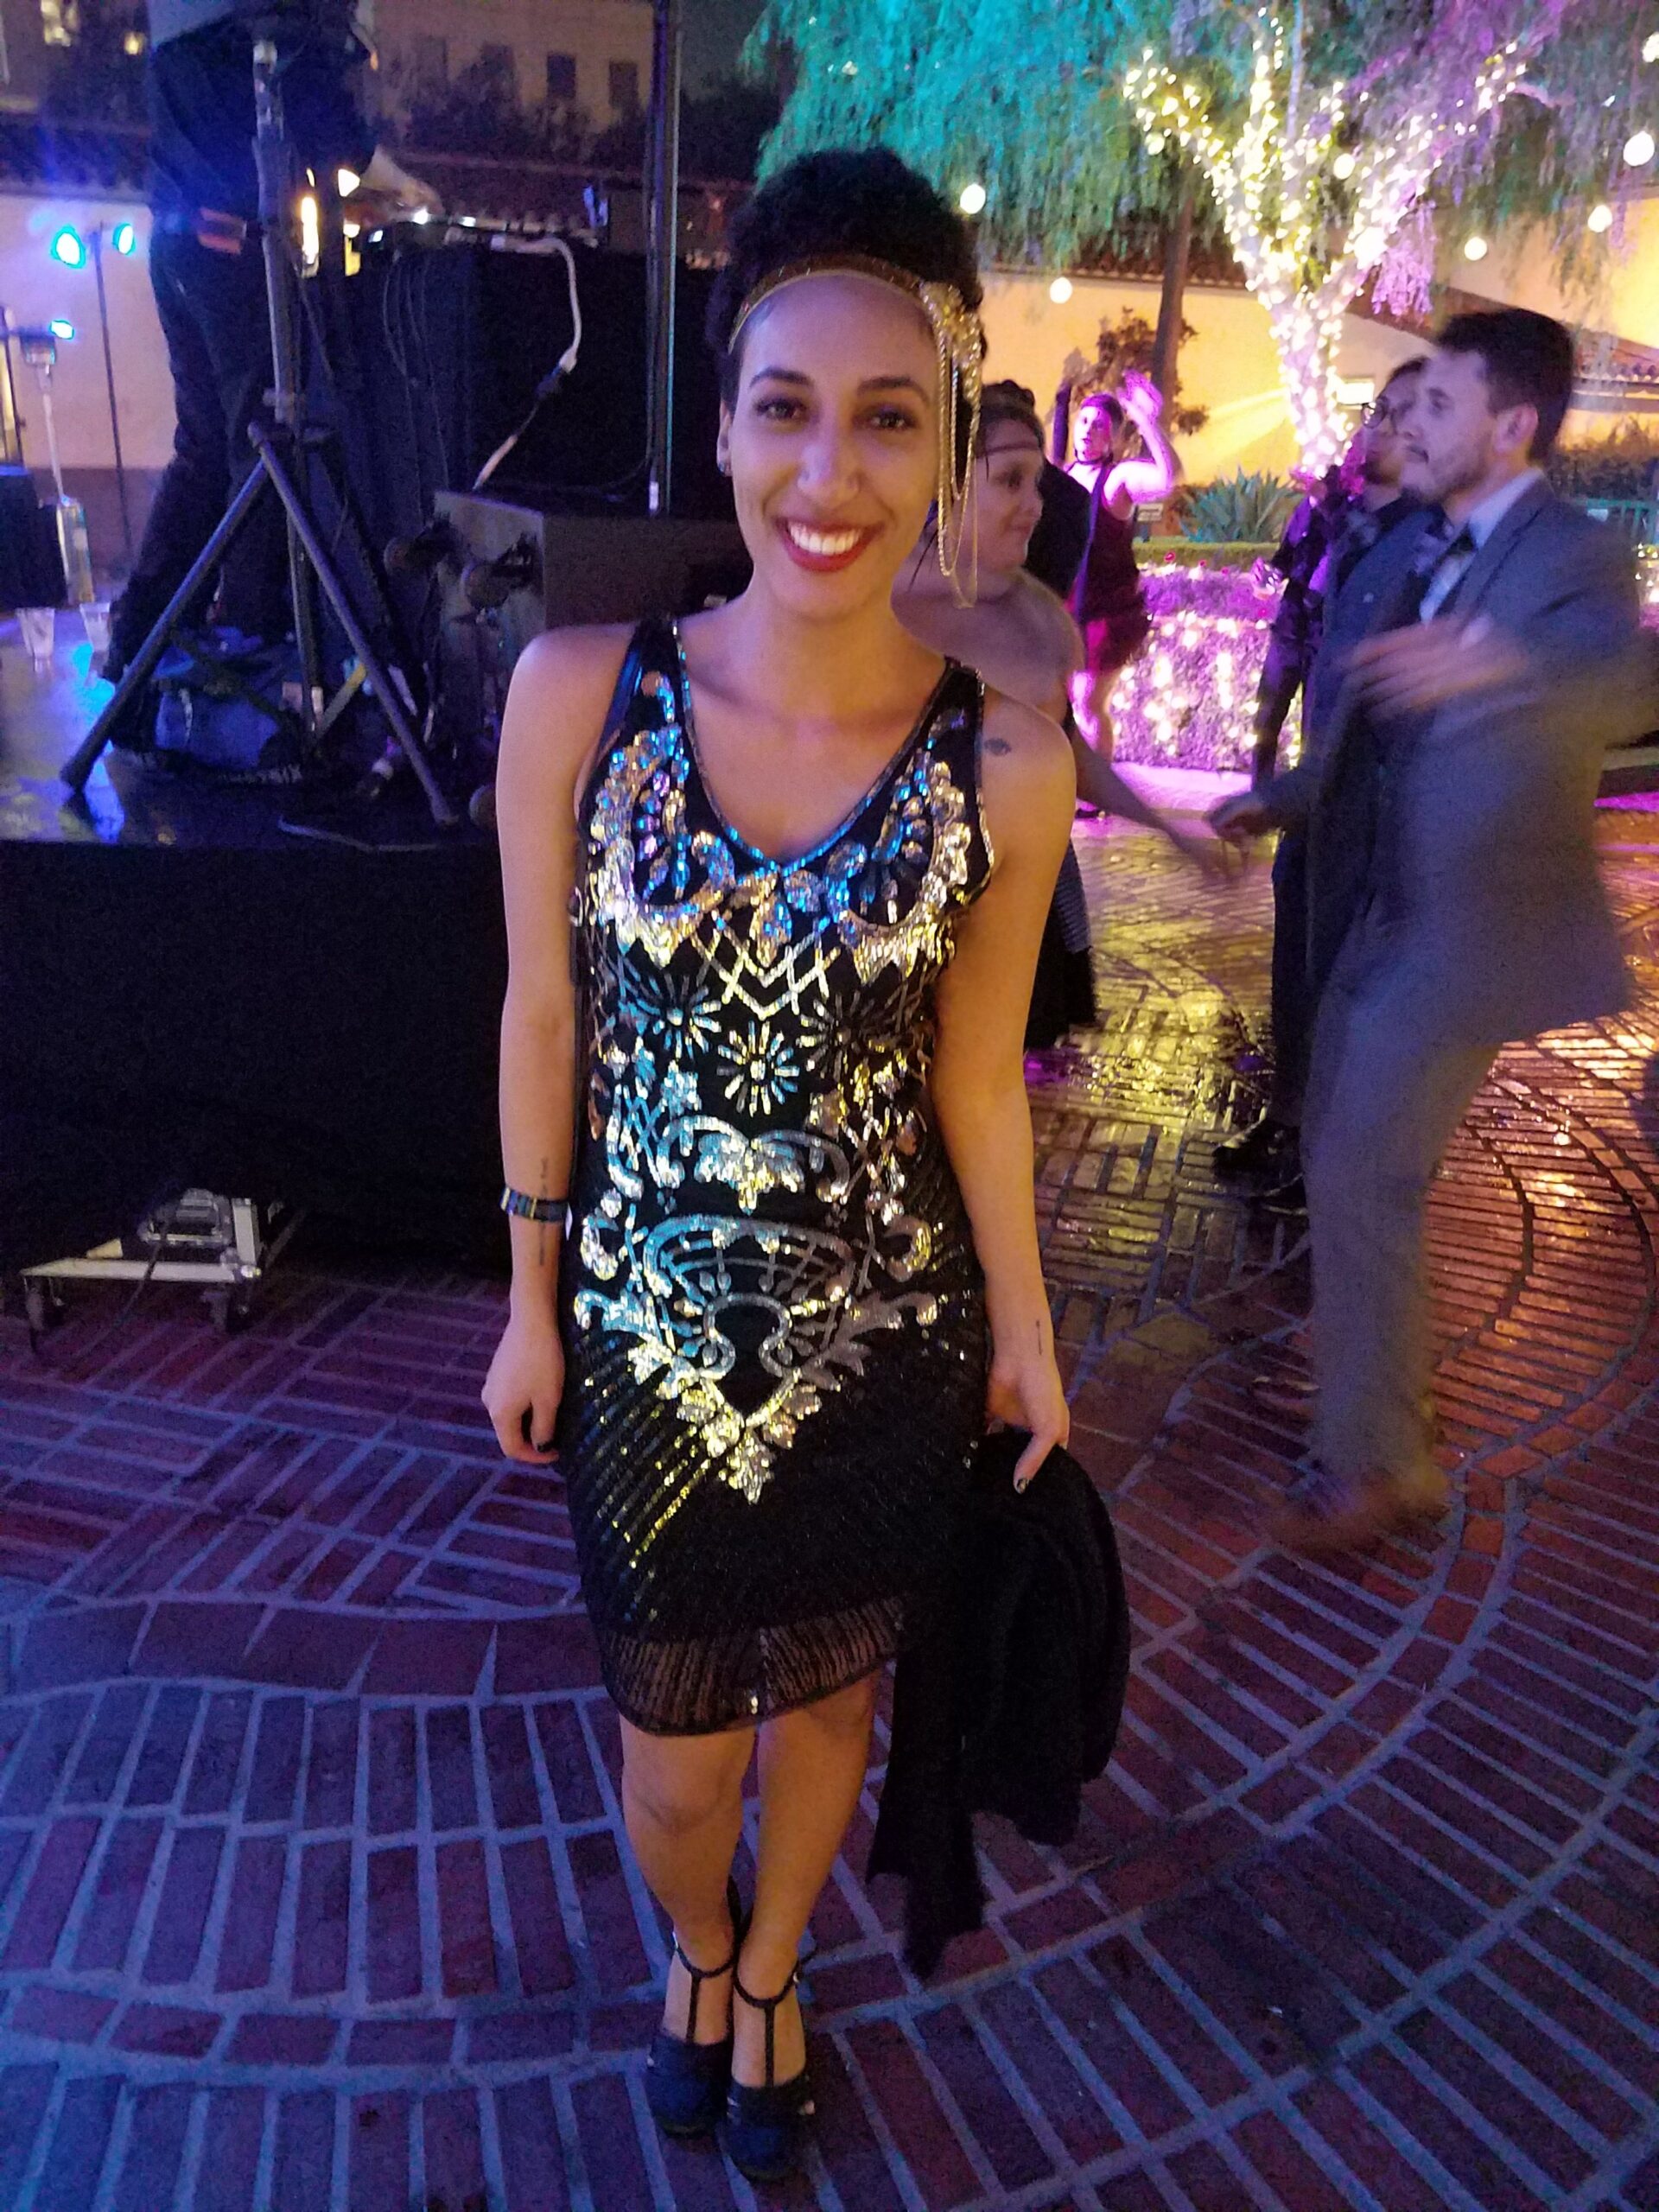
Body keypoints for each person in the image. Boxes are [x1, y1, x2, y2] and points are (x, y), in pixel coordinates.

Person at [480, 149, 1074, 2185]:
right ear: (726, 427)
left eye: (887, 418)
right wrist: (530, 1295)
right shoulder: (582, 693)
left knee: (826, 1713)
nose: (830, 472)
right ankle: (698, 1933)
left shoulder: (1006, 754)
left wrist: (1028, 1330)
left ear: (946, 442)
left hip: (886, 1340)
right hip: (642, 1346)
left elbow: (979, 1077)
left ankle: (772, 1963)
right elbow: (540, 1013)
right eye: (785, 409)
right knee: (676, 1758)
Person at [1212, 308, 1658, 1553]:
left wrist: (1495, 663)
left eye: (1439, 403)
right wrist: (1281, 798)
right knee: (1351, 1163)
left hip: (1474, 924)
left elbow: (1626, 682)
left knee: (1362, 1172)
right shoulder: (1418, 541)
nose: (1410, 420)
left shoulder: (1572, 551)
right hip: (1380, 903)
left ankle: (1378, 1462)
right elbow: (1364, 725)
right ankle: (1378, 1412)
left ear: (1513, 425)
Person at [104, 0, 438, 683]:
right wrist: (407, 188)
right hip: (228, 253)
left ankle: (141, 640)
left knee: (205, 449)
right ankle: (250, 637)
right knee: (258, 444)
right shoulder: (269, 26)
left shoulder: (189, 26)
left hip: (178, 245)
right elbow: (329, 126)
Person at [894, 377, 1220, 1047]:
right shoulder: (874, 609)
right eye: (1010, 481)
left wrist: (1172, 830)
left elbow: (1064, 747)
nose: (1035, 507)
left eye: (1036, 484)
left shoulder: (1034, 621)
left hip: (1005, 927)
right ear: (947, 486)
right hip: (892, 935)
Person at [1217, 357, 1426, 1194]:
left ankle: (1327, 1152)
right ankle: (1290, 1121)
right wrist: (1266, 759)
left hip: (1370, 802)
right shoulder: (1335, 521)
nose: (1381, 425)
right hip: (1316, 786)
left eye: (1407, 412)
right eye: (1380, 408)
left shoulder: (1432, 541)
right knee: (1296, 959)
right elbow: (1293, 629)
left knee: (1341, 970)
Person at [1058, 373, 1179, 757]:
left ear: (1112, 438)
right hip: (1063, 611)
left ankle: (1096, 787)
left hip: (1104, 615)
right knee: (1059, 705)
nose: (1088, 430)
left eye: (1099, 425)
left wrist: (1146, 420)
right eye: (1084, 421)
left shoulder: (1117, 479)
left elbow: (1168, 478)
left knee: (1088, 704)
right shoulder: (1064, 475)